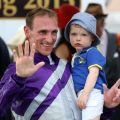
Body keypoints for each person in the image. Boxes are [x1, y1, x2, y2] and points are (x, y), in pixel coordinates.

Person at [0, 7, 120, 120]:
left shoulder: (66, 65)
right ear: (27, 31)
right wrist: (18, 78)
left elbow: (84, 111)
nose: (50, 38)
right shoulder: (17, 70)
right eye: (43, 32)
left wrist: (106, 106)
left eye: (54, 32)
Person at [81, 1, 120, 119]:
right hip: (89, 108)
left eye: (95, 20)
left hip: (115, 107)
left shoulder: (116, 40)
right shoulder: (81, 44)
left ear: (102, 20)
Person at [64, 12, 107, 120]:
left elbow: (94, 73)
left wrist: (85, 94)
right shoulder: (76, 56)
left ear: (92, 37)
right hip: (82, 93)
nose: (78, 38)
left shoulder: (92, 52)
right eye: (74, 34)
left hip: (92, 92)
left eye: (83, 34)